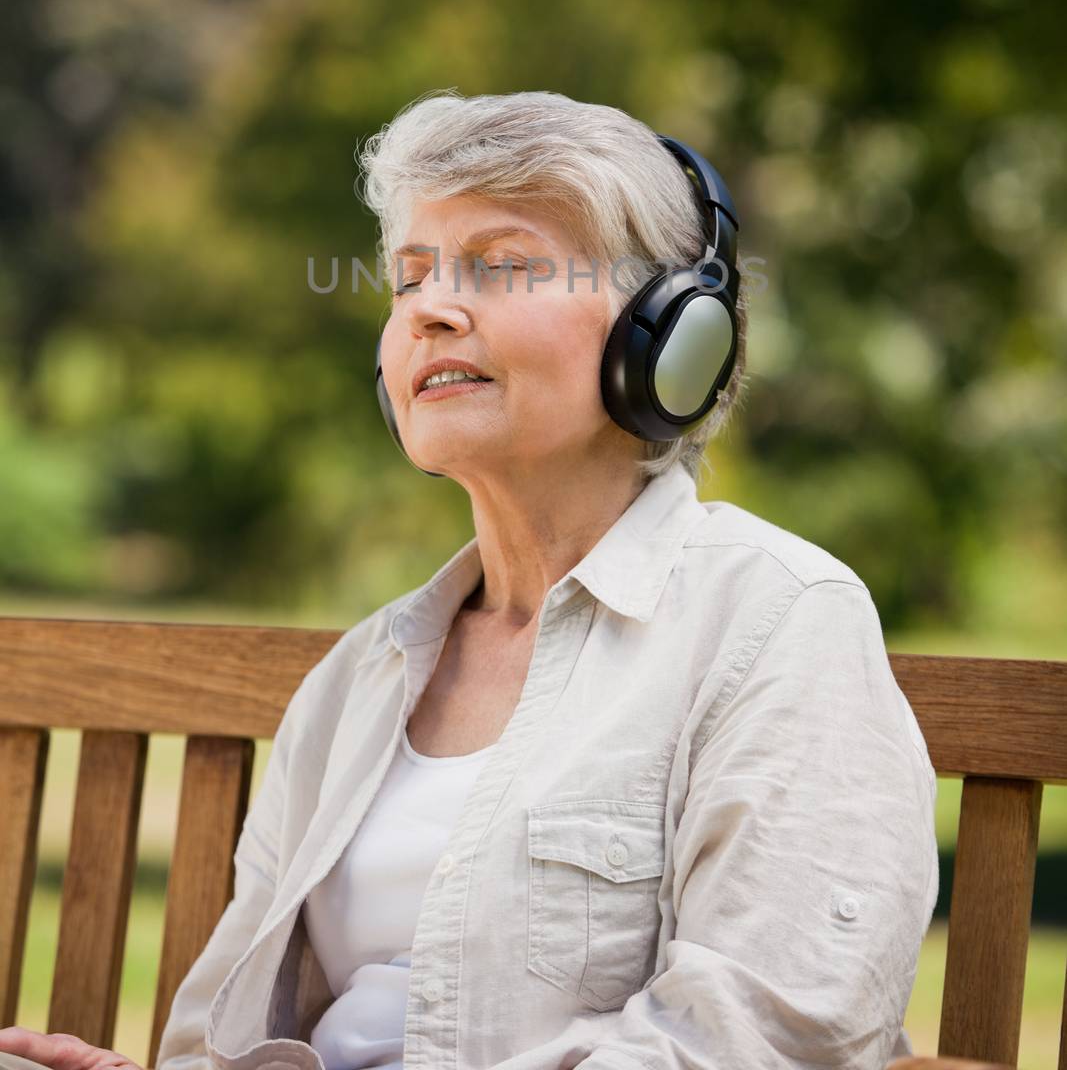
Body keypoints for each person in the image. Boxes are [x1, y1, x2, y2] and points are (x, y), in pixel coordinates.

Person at [0, 90, 938, 1070]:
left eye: (501, 266)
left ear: (666, 337)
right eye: (409, 280)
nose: (429, 311)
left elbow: (759, 1039)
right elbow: (221, 1042)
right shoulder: (358, 677)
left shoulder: (777, 621)